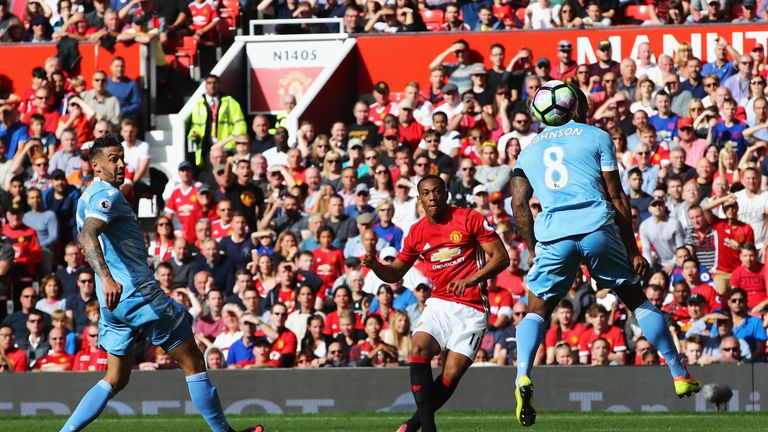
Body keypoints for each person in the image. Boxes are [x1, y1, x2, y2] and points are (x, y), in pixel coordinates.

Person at [511, 86, 701, 427]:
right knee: (636, 300)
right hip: (596, 227)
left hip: (554, 234)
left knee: (536, 311)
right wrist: (631, 249)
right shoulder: (597, 136)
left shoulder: (528, 150)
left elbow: (518, 205)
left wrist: (533, 248)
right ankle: (678, 371)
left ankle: (523, 375)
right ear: (577, 106)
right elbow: (617, 198)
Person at [63, 133, 261, 432]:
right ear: (96, 165)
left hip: (112, 305)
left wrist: (106, 281)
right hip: (136, 294)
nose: (121, 165)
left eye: (122, 159)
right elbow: (88, 236)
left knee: (115, 378)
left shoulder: (86, 197)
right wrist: (106, 277)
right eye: (113, 159)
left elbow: (86, 237)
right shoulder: (108, 196)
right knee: (193, 362)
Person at [363, 175, 509, 432]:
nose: (432, 197)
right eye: (426, 193)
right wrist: (376, 266)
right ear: (419, 199)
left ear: (446, 194)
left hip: (472, 307)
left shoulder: (468, 218)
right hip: (440, 302)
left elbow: (501, 258)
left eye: (437, 191)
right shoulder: (417, 232)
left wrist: (472, 279)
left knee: (451, 374)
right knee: (418, 346)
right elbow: (395, 272)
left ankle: (411, 425)